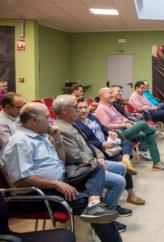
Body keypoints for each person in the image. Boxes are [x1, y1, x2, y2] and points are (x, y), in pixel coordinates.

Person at [0, 102, 122, 242]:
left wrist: (58, 140)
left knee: (96, 167)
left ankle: (93, 202)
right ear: (33, 120)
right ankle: (94, 206)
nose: (51, 120)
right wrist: (55, 183)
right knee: (100, 214)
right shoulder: (19, 142)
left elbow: (62, 161)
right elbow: (20, 180)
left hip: (60, 182)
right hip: (38, 194)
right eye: (47, 117)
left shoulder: (41, 136)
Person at [52, 95, 130, 232]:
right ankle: (107, 221)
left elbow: (88, 145)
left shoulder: (73, 123)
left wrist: (99, 156)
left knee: (121, 168)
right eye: (75, 107)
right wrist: (96, 162)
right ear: (64, 110)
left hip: (91, 162)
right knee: (119, 182)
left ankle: (110, 206)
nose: (79, 110)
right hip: (80, 168)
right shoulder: (61, 129)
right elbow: (75, 156)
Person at [75, 101, 146, 206]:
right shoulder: (76, 124)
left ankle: (126, 160)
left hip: (108, 141)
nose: (83, 110)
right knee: (120, 164)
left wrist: (109, 132)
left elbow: (103, 127)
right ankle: (131, 194)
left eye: (85, 107)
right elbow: (86, 143)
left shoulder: (92, 117)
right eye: (79, 108)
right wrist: (102, 143)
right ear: (75, 109)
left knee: (127, 143)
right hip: (98, 149)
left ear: (89, 108)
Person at [95, 87, 164, 171]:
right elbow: (106, 125)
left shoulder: (110, 105)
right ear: (102, 96)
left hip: (126, 130)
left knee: (150, 137)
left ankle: (157, 163)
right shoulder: (100, 108)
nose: (111, 95)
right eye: (109, 93)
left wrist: (129, 122)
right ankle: (156, 132)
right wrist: (123, 124)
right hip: (118, 134)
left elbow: (121, 116)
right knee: (142, 124)